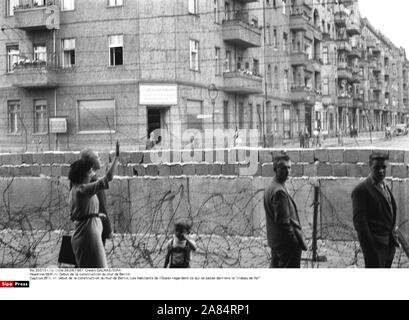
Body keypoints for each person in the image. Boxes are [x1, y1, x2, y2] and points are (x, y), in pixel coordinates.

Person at [69, 155, 118, 268]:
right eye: (89, 172)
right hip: (89, 236)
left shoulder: (74, 190)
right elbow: (108, 177)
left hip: (83, 234)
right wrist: (116, 158)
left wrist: (95, 216)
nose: (92, 175)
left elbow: (76, 215)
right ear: (82, 175)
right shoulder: (83, 189)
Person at [351, 153, 399, 268]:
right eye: (377, 168)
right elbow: (360, 223)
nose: (381, 171)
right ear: (370, 167)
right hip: (375, 248)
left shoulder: (384, 186)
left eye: (384, 167)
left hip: (388, 245)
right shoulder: (361, 190)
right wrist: (370, 249)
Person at [264, 154, 308, 268]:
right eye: (283, 168)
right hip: (286, 245)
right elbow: (283, 222)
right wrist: (294, 242)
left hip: (276, 241)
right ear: (275, 169)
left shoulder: (272, 185)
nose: (287, 171)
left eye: (289, 167)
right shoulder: (279, 191)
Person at [80, 148, 112, 247]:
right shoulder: (93, 181)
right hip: (97, 227)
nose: (100, 159)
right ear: (91, 163)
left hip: (84, 226)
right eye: (97, 157)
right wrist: (108, 229)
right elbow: (101, 207)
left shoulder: (80, 181)